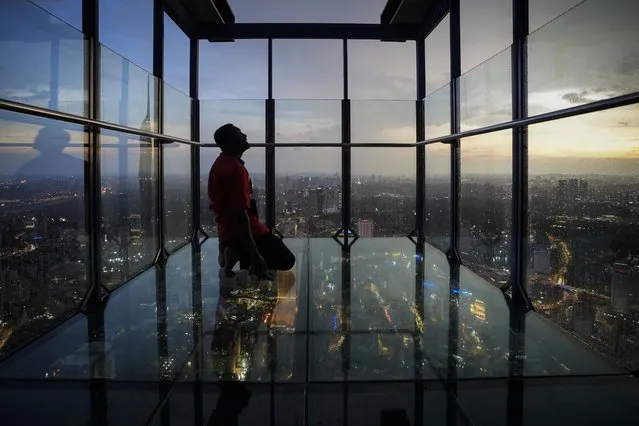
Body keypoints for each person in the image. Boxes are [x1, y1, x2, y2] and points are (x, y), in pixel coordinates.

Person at [208, 124, 295, 282]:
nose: (245, 135)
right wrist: (254, 252)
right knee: (287, 260)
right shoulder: (234, 169)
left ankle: (233, 251)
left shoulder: (220, 163)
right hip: (244, 231)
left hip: (229, 229)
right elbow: (240, 213)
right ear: (228, 141)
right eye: (239, 134)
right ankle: (236, 251)